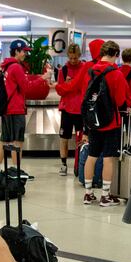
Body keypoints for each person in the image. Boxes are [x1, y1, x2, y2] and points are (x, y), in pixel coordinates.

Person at [0, 39, 52, 172]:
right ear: (17, 51)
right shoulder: (16, 67)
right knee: (17, 141)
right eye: (24, 51)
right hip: (15, 109)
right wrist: (42, 78)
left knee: (4, 139)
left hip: (6, 108)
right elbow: (27, 87)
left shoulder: (6, 67)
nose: (25, 54)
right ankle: (16, 170)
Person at [82, 41, 128, 208]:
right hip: (110, 122)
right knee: (109, 158)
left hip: (93, 121)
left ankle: (88, 193)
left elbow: (85, 95)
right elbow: (121, 99)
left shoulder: (89, 71)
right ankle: (105, 195)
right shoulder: (116, 74)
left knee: (91, 156)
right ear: (116, 54)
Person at [55, 43, 85, 176]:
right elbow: (60, 90)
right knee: (64, 138)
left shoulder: (84, 69)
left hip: (80, 110)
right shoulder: (64, 70)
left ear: (79, 56)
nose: (73, 60)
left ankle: (79, 164)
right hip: (67, 109)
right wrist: (67, 85)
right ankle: (63, 164)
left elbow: (85, 88)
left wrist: (71, 85)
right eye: (71, 58)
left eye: (75, 58)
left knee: (81, 139)